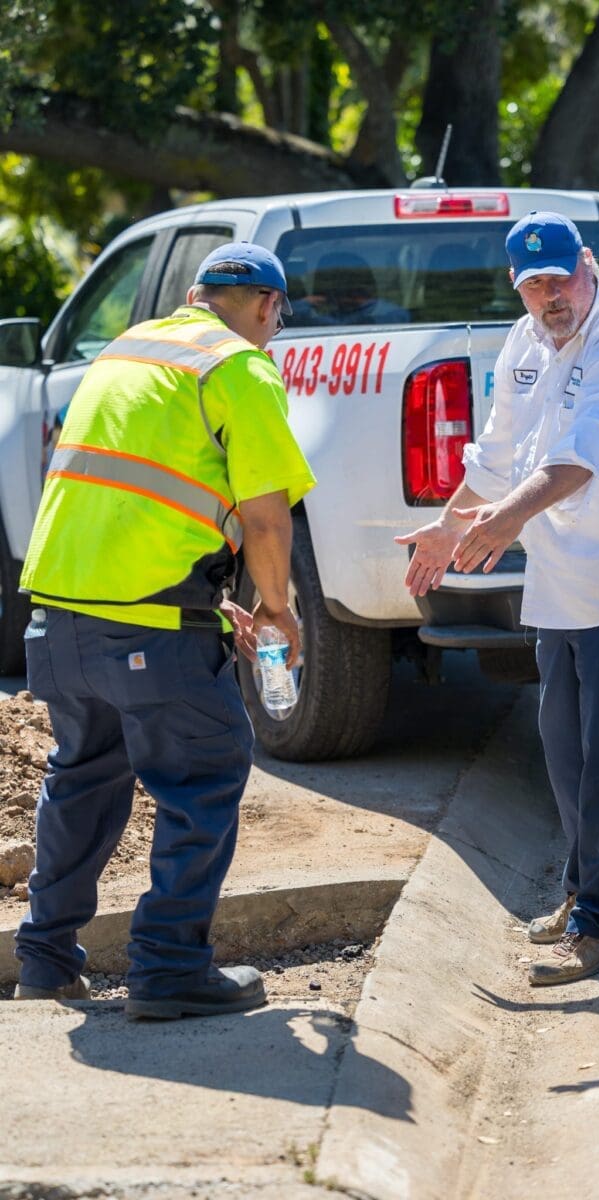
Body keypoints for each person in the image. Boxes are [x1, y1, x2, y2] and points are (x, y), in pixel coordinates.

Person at [14, 241, 316, 1020]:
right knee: (206, 771)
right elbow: (263, 514)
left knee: (83, 775)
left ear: (194, 293)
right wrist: (277, 606)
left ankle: (45, 959)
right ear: (266, 306)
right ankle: (170, 967)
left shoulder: (128, 350)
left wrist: (212, 605)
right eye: (276, 317)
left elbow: (132, 506)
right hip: (146, 624)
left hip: (59, 618)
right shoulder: (238, 367)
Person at [395, 211, 599, 987]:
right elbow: (495, 455)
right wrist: (448, 526)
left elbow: (576, 457)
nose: (549, 297)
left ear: (587, 264)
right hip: (556, 587)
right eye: (532, 285)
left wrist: (503, 521)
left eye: (559, 278)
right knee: (564, 750)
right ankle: (585, 894)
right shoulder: (525, 341)